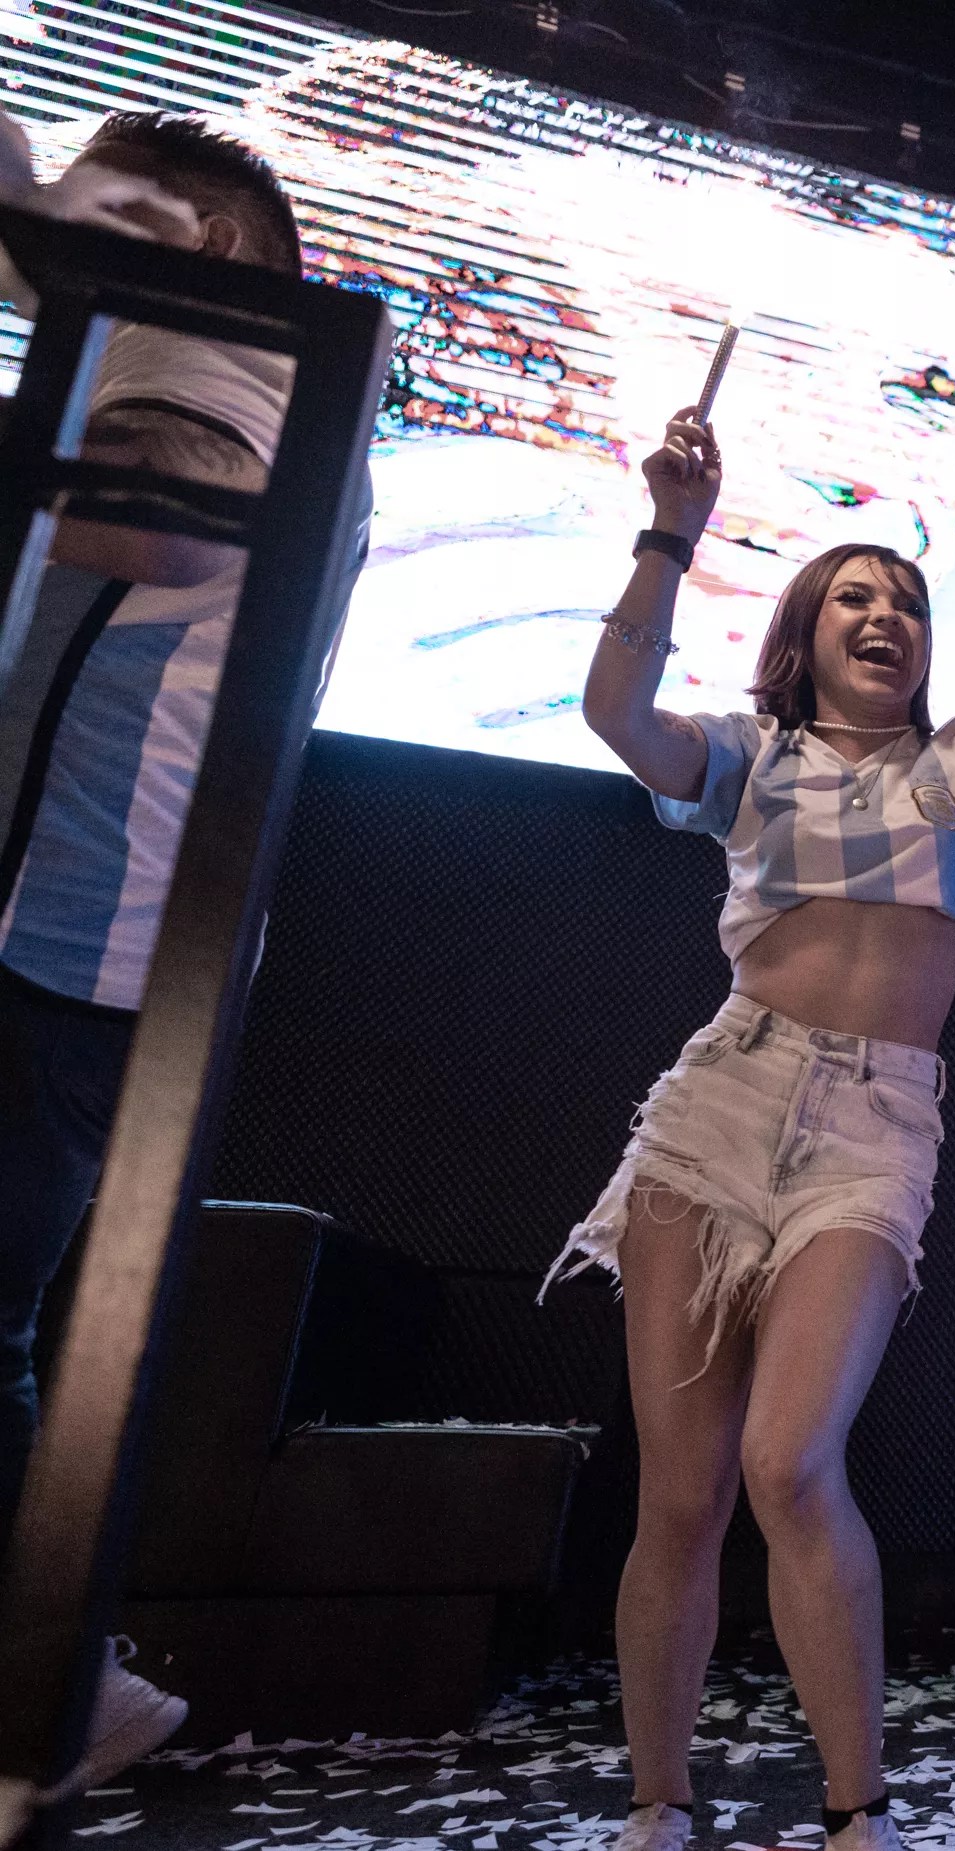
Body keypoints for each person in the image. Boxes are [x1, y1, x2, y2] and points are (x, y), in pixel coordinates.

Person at [546, 368, 955, 1851]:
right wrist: (670, 531)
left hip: (874, 1126)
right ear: (806, 633)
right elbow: (612, 709)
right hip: (720, 1102)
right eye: (854, 596)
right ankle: (659, 1804)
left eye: (906, 600)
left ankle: (855, 1813)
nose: (886, 613)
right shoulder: (748, 757)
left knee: (788, 1458)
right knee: (682, 1493)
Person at [0, 108, 370, 1802]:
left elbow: (173, 517)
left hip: (81, 918)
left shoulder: (232, 346)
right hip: (68, 911)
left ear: (203, 239)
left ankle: (52, 1687)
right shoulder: (188, 338)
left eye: (113, 199)